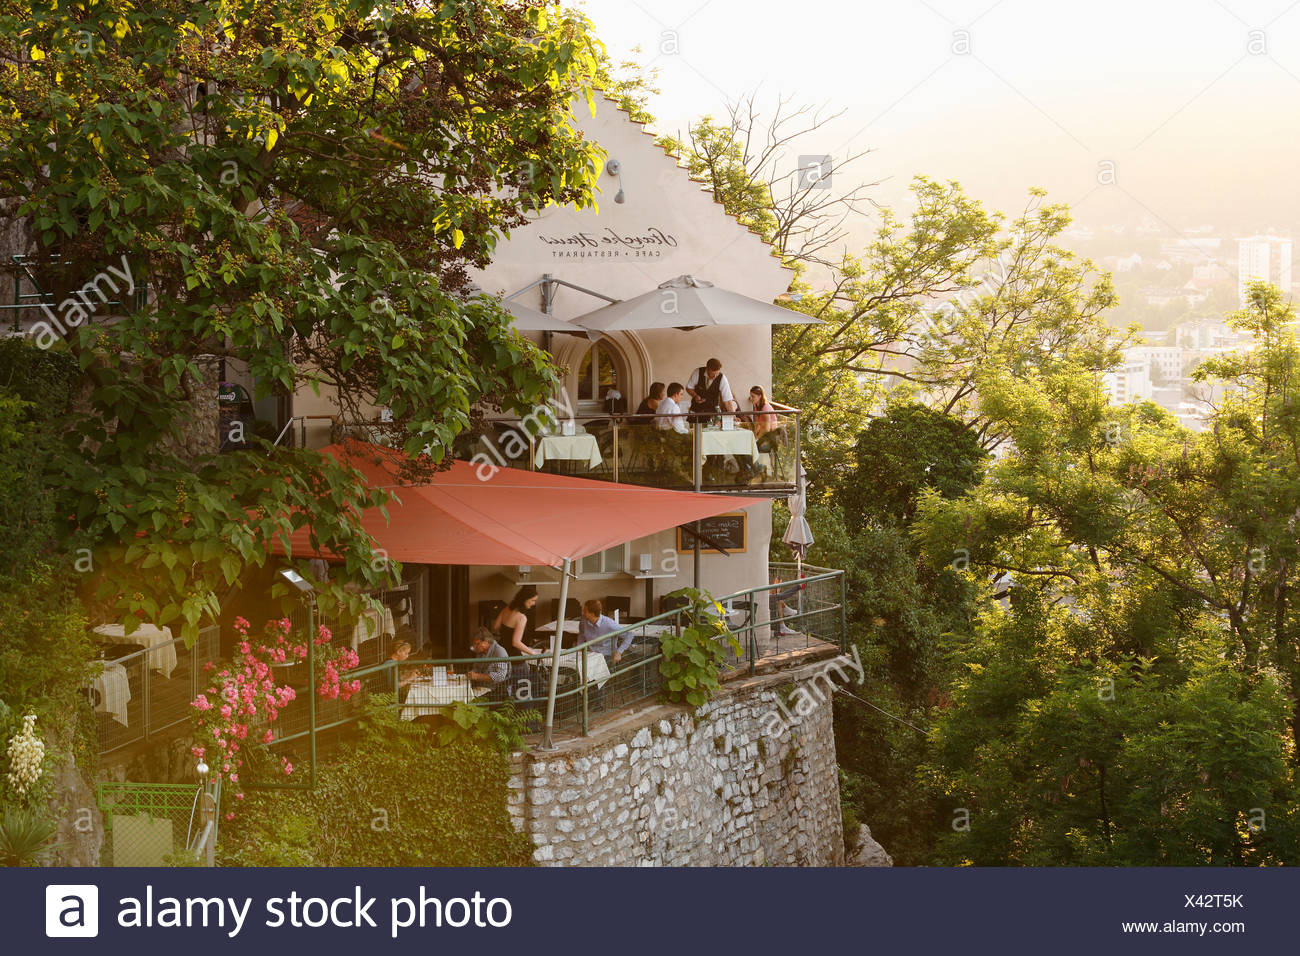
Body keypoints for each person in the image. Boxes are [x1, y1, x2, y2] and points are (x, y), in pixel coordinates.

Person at [468, 626, 528, 700]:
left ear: (486, 642)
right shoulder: (481, 652)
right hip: (481, 687)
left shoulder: (499, 652)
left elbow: (500, 676)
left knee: (467, 698)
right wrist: (472, 673)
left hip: (494, 690)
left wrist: (478, 676)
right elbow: (476, 668)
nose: (474, 646)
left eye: (477, 644)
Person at [579, 599, 634, 665]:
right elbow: (581, 634)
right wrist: (579, 648)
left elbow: (629, 635)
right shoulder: (583, 620)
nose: (583, 613)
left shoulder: (609, 624)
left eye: (585, 611)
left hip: (606, 656)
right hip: (590, 654)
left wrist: (619, 652)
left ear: (592, 614)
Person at [493, 585, 542, 657]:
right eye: (532, 600)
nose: (534, 603)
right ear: (524, 599)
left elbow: (495, 626)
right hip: (512, 656)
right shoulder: (521, 618)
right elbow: (516, 643)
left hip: (500, 651)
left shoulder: (507, 608)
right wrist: (533, 653)